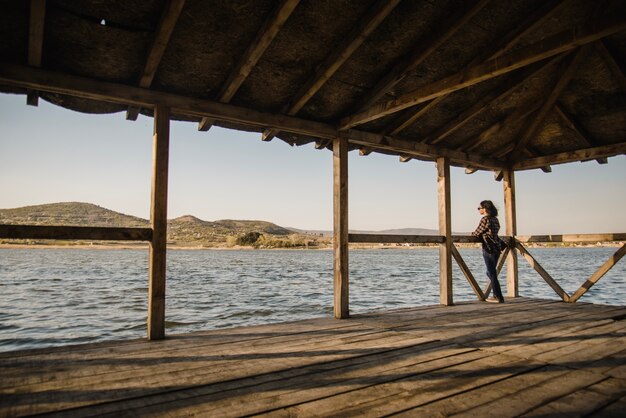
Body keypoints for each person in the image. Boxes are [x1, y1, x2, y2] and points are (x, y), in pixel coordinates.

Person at [472, 200, 505, 303]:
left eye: (479, 208)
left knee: (491, 272)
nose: (479, 210)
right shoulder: (495, 219)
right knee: (490, 272)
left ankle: (498, 296)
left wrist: (473, 233)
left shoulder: (485, 219)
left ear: (485, 209)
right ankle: (497, 295)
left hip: (488, 248)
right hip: (497, 247)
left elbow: (477, 232)